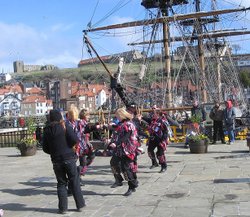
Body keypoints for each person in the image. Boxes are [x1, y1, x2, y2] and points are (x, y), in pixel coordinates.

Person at [42, 109, 85, 214]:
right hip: (69, 158)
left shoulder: (46, 130)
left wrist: (53, 152)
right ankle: (80, 205)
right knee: (74, 180)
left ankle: (63, 208)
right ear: (59, 117)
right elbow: (75, 139)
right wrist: (69, 147)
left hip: (56, 160)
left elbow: (45, 148)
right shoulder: (64, 126)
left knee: (61, 183)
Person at [109, 107, 140, 196]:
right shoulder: (123, 123)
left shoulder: (129, 124)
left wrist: (116, 143)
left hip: (128, 150)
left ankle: (132, 185)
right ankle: (119, 180)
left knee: (126, 168)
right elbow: (118, 129)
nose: (117, 118)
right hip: (121, 149)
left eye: (117, 116)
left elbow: (126, 136)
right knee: (114, 163)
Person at [146, 109, 170, 173]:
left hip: (160, 139)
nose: (153, 114)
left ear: (158, 114)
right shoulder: (152, 120)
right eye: (153, 113)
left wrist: (163, 140)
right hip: (153, 139)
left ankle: (164, 166)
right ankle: (154, 163)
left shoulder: (162, 121)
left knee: (160, 154)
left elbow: (166, 131)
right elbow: (146, 120)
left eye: (154, 113)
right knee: (149, 151)